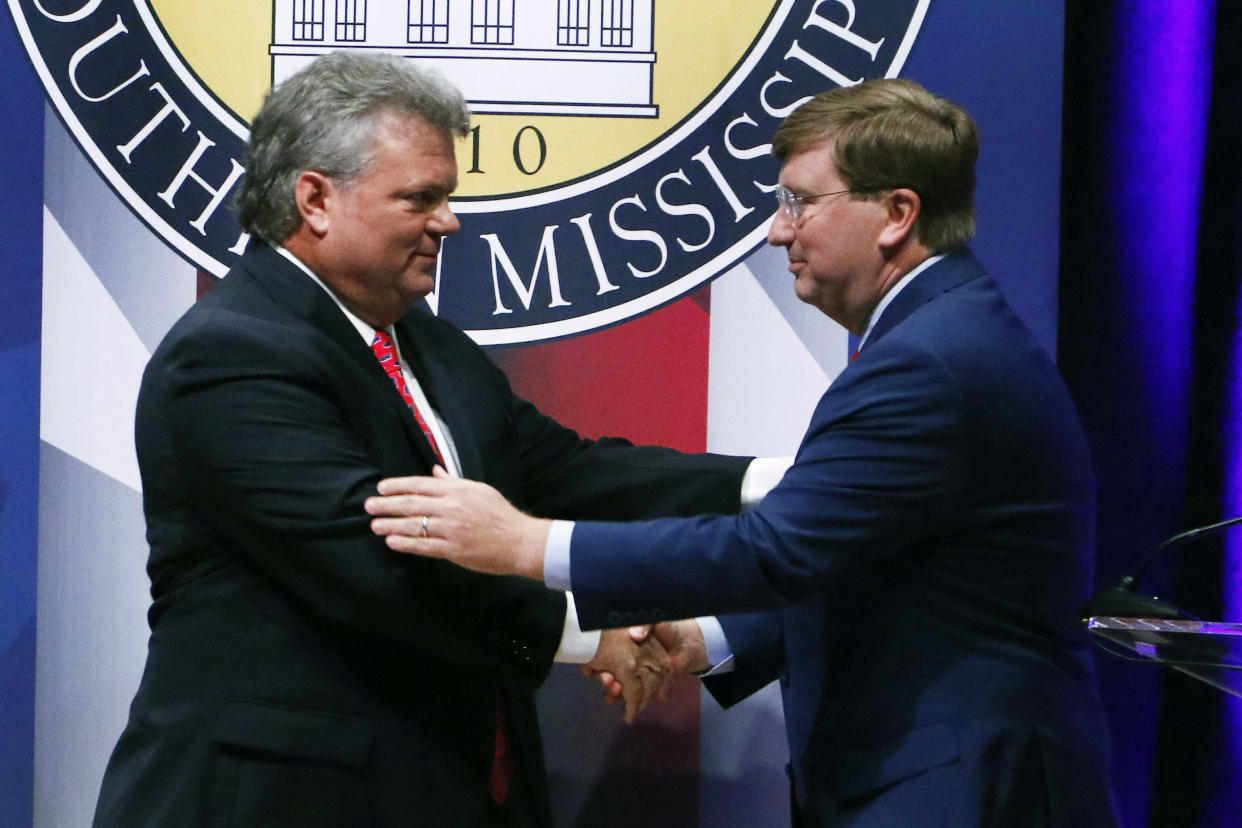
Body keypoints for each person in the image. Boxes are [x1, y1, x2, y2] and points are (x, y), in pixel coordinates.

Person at [367, 79, 1120, 826]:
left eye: (800, 201)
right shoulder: (936, 334)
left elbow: (773, 551)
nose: (776, 231)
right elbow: (868, 566)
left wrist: (525, 544)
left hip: (963, 790)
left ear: (897, 213)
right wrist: (704, 640)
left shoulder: (931, 361)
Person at [91, 51, 760, 828]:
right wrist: (590, 633)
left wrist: (777, 486)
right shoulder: (232, 353)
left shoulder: (430, 346)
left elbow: (569, 472)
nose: (450, 219)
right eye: (422, 197)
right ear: (315, 199)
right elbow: (372, 563)